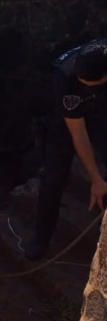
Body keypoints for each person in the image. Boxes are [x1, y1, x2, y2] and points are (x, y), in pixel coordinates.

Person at [27, 39, 107, 260]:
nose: (88, 87)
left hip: (101, 110)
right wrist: (96, 179)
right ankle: (41, 238)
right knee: (53, 177)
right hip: (67, 121)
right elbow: (78, 134)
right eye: (85, 84)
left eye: (93, 84)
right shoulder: (65, 79)